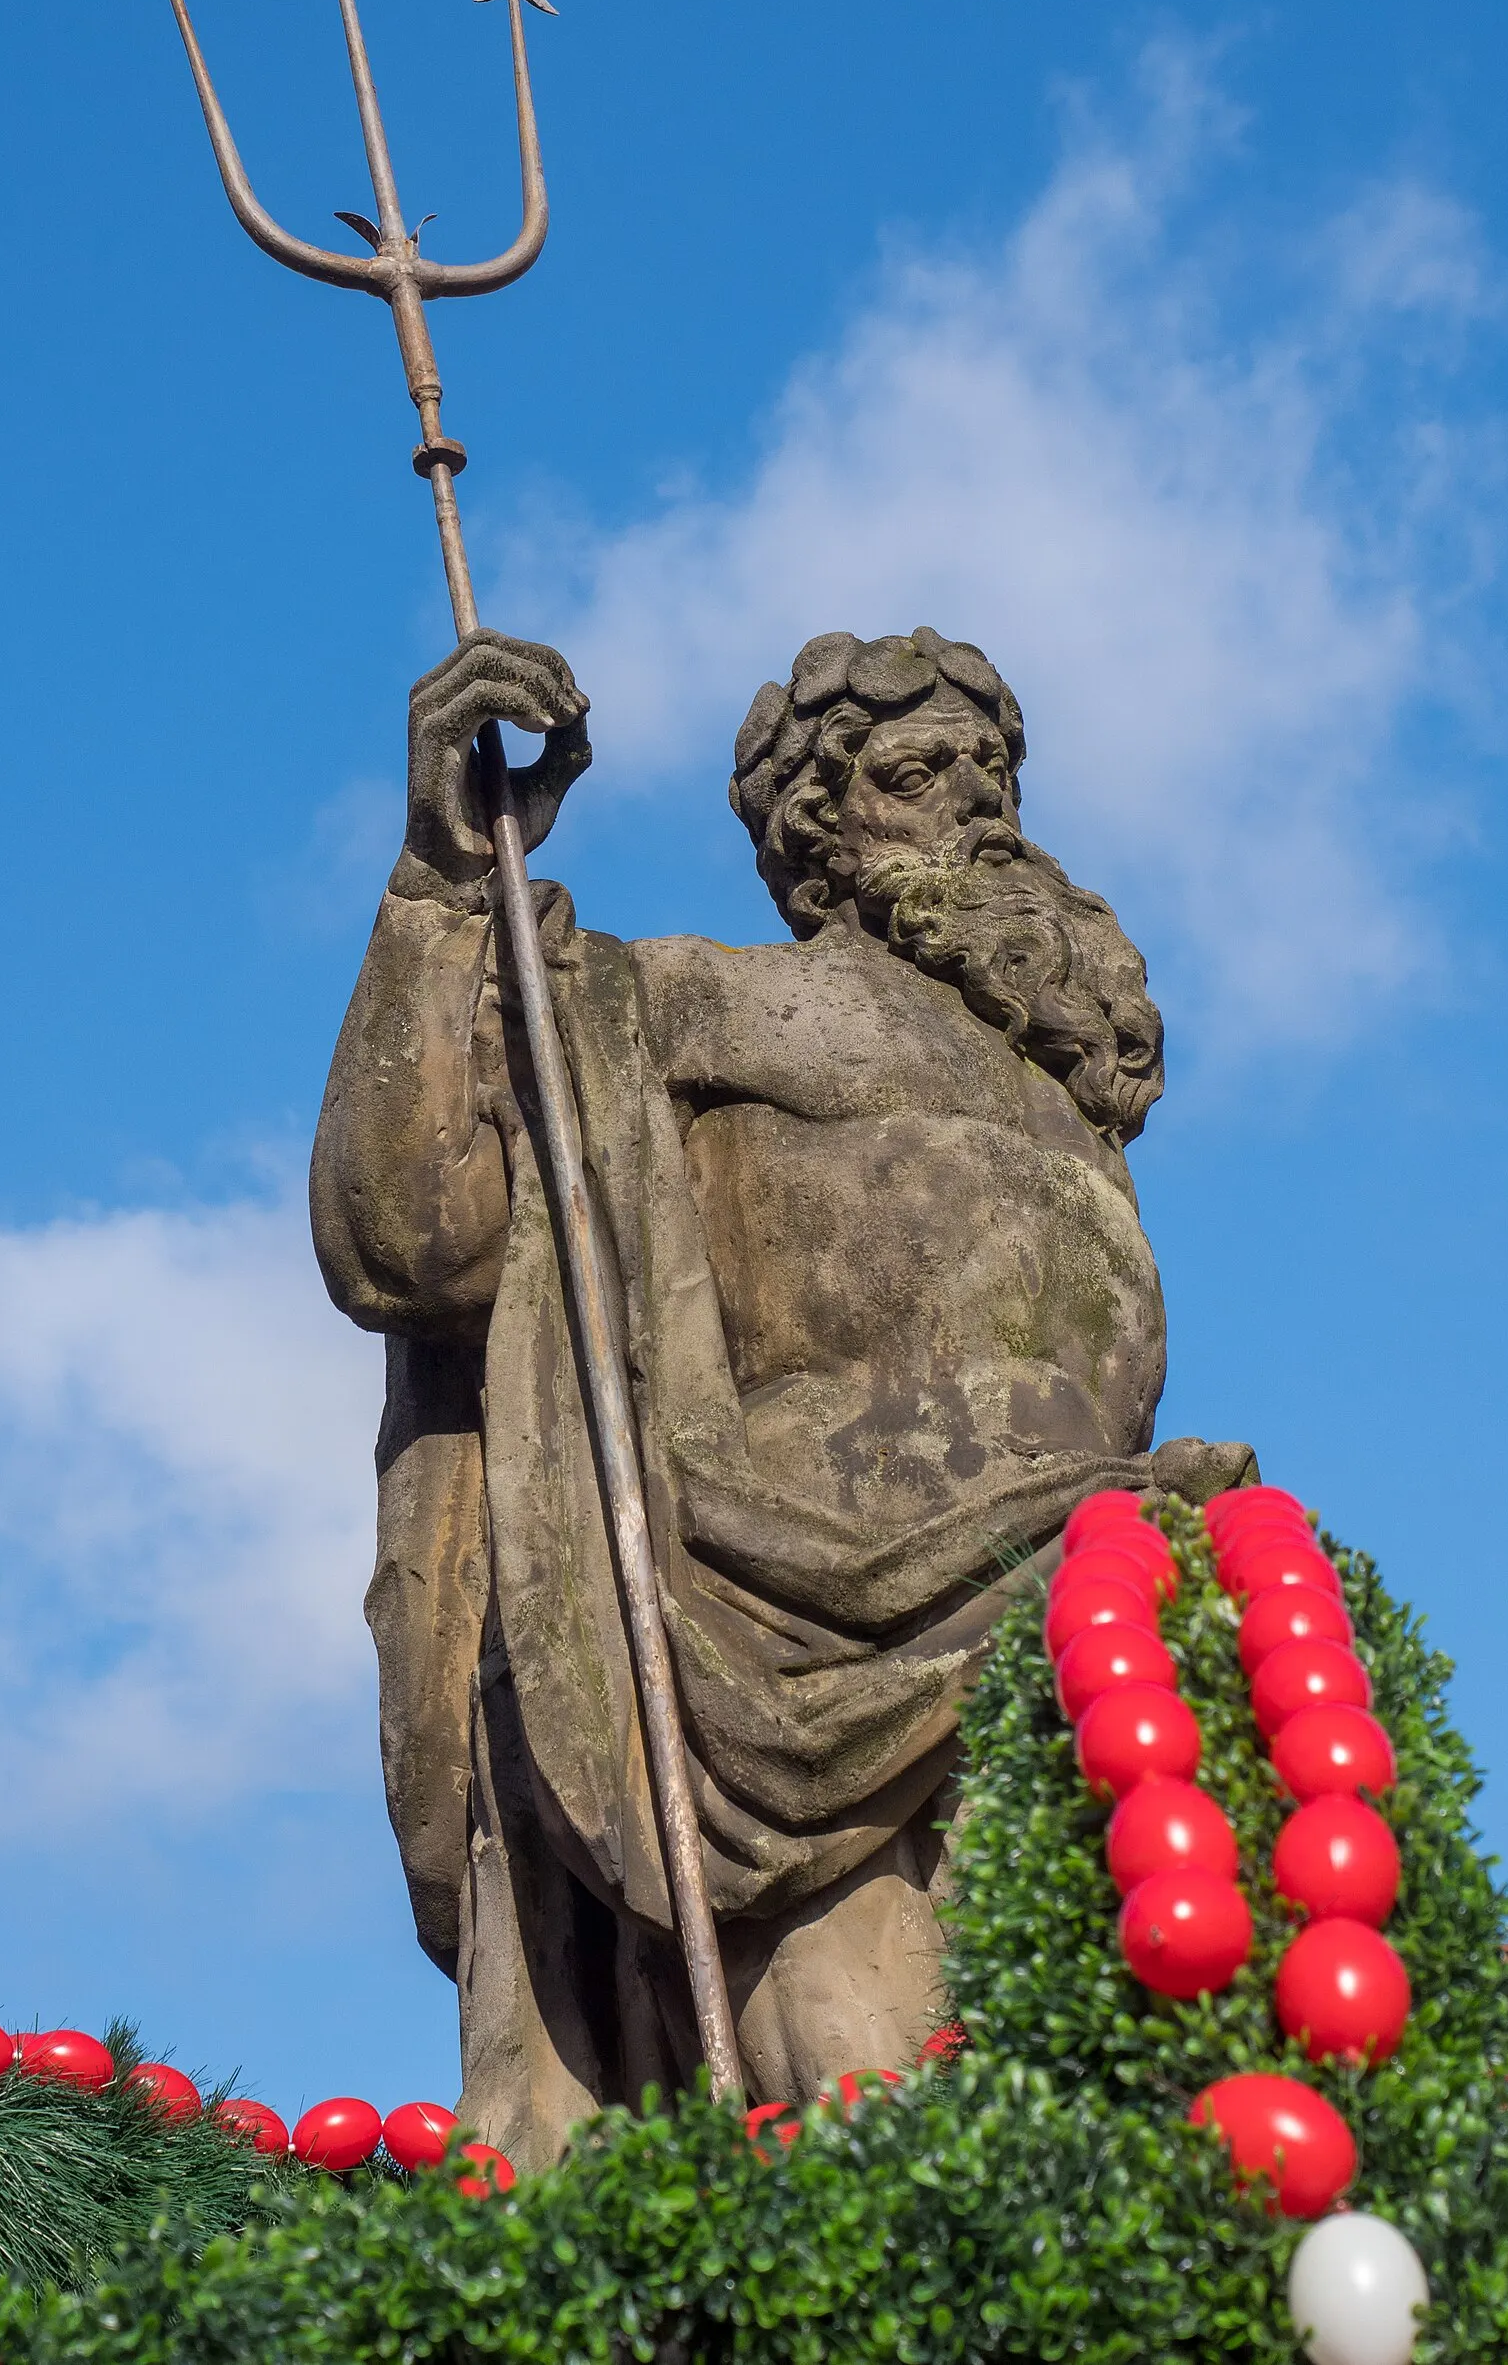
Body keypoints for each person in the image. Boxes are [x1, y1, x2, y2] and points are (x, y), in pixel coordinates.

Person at [310, 624, 1251, 2164]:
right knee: (878, 2133)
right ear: (819, 832)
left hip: (1083, 1644)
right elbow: (412, 1231)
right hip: (791, 1663)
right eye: (916, 772)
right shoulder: (688, 1007)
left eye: (990, 770)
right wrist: (440, 883)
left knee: (1129, 2151)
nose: (977, 805)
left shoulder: (1061, 1109)